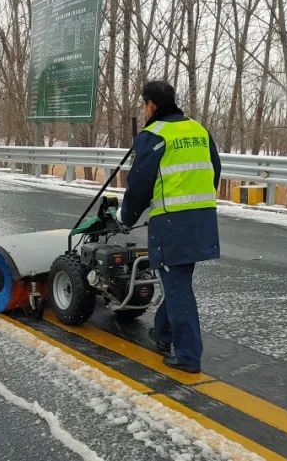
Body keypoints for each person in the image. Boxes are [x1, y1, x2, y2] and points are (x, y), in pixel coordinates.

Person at [115, 80, 221, 374]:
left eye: (143, 104)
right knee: (178, 280)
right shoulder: (199, 130)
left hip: (172, 222)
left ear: (150, 104)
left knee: (177, 287)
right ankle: (163, 334)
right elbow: (215, 169)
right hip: (202, 219)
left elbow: (138, 185)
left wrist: (126, 217)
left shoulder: (154, 135)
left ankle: (188, 356)